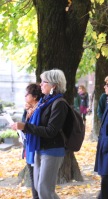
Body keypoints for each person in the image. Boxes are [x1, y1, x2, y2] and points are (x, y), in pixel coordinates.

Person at [11, 69, 69, 199]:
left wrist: (26, 126)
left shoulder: (59, 104)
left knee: (44, 190)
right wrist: (28, 114)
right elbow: (34, 124)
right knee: (39, 188)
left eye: (44, 82)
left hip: (53, 149)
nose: (41, 84)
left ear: (54, 85)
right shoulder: (43, 102)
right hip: (40, 148)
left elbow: (51, 131)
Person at [21, 83, 43, 199]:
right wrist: (26, 112)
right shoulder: (29, 109)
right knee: (33, 180)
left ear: (34, 96)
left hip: (36, 149)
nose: (25, 96)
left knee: (38, 182)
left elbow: (31, 127)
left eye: (27, 94)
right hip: (28, 147)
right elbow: (24, 125)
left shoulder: (39, 109)